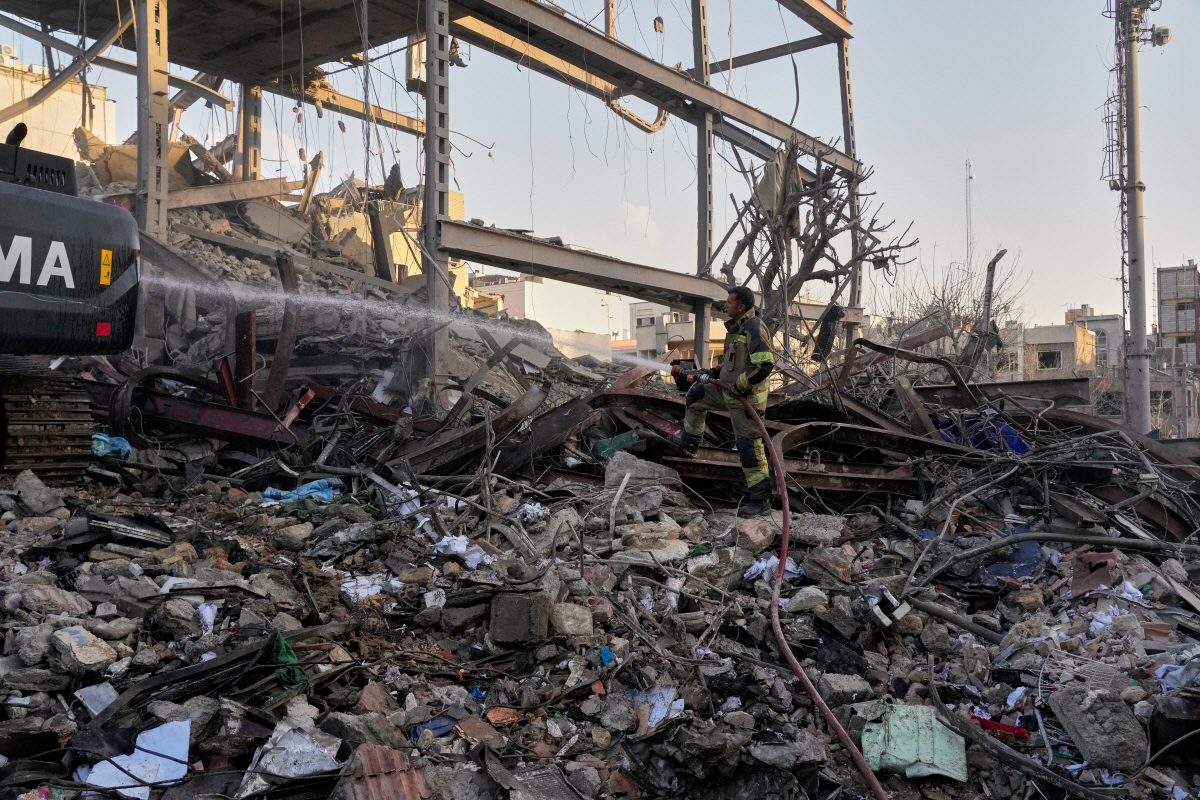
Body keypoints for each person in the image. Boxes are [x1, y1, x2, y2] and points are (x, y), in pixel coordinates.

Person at [670, 286, 775, 516]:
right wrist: (712, 373)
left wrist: (739, 386)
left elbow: (765, 365)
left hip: (746, 398)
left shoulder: (754, 327)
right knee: (697, 395)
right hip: (727, 391)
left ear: (741, 306)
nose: (724, 306)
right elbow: (730, 364)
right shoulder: (736, 328)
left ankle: (761, 501)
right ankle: (689, 446)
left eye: (729, 302)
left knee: (749, 448)